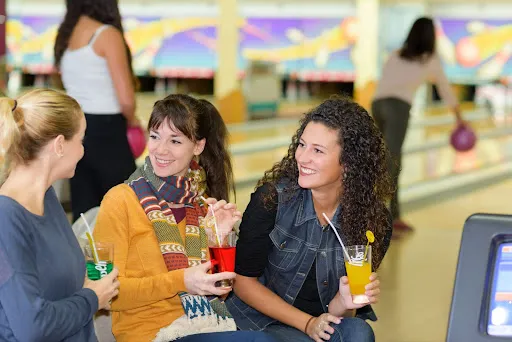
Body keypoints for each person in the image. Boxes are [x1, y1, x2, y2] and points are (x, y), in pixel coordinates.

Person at [93, 94, 277, 342]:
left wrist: (218, 240)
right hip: (150, 334)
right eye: (155, 137)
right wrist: (181, 281)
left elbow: (220, 292)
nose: (160, 149)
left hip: (203, 325)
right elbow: (105, 295)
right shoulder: (120, 200)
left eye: (175, 141)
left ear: (198, 146)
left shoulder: (200, 206)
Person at [226, 97, 393, 342]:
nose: (302, 158)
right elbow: (242, 282)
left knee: (359, 332)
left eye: (317, 150)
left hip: (320, 325)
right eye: (302, 145)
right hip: (263, 322)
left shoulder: (374, 222)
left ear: (349, 163)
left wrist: (345, 301)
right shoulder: (272, 200)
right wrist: (307, 324)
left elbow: (338, 314)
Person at [0, 89, 120, 341]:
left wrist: (97, 287)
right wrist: (92, 298)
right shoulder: (6, 218)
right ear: (59, 145)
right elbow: (33, 327)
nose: (82, 151)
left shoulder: (47, 197)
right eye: (80, 140)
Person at [372, 16, 464, 234]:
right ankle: (385, 220)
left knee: (383, 159)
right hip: (398, 108)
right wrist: (459, 116)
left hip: (377, 105)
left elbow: (383, 82)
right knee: (392, 162)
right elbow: (444, 88)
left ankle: (387, 216)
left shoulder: (395, 55)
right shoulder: (429, 58)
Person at [54, 0, 140, 222]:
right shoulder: (107, 34)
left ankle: (88, 258)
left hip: (75, 129)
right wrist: (134, 123)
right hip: (108, 131)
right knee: (128, 208)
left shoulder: (66, 37)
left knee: (85, 215)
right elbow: (126, 100)